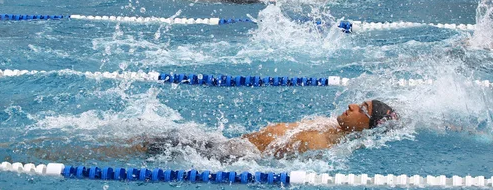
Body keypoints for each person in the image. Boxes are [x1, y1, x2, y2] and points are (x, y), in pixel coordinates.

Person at [110, 99, 398, 161]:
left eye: (363, 110)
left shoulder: (321, 145)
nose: (352, 106)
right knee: (141, 137)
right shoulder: (328, 125)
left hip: (228, 154)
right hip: (228, 143)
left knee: (139, 148)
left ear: (366, 128)